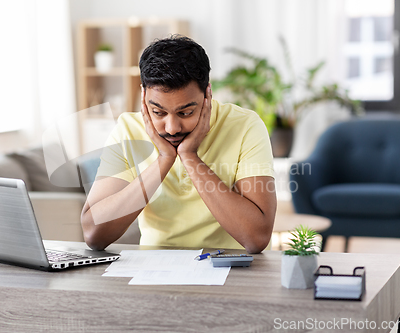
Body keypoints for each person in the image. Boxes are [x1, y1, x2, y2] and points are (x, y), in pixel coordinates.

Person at [81, 35, 276, 253]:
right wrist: (164, 160)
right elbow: (93, 235)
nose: (172, 127)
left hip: (230, 267)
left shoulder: (245, 126)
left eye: (185, 112)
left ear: (207, 95)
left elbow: (256, 238)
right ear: (144, 96)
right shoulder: (128, 130)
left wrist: (190, 158)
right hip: (154, 268)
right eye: (158, 112)